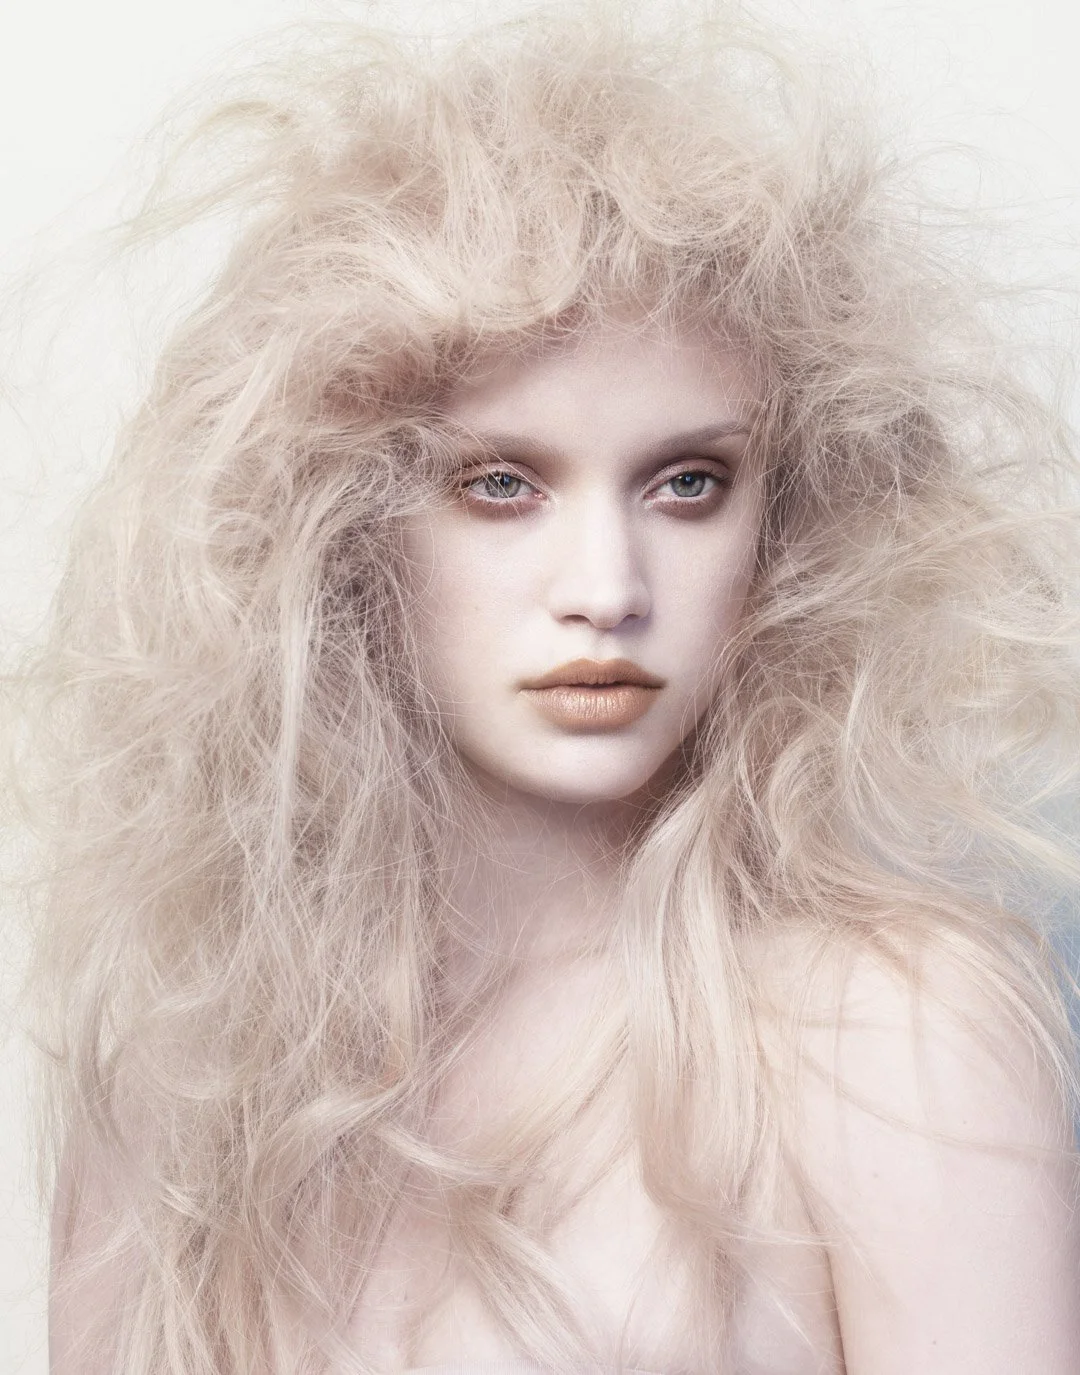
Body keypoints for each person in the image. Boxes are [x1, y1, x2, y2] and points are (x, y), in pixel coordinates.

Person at [16, 3, 1080, 1372]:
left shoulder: (887, 1029)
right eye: (500, 483)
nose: (608, 583)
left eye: (688, 483)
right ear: (345, 524)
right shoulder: (192, 1059)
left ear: (787, 522)